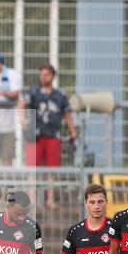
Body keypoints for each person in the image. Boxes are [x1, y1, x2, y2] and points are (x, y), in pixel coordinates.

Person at [24, 63, 76, 208]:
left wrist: (72, 130)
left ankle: (50, 199)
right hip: (35, 135)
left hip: (53, 135)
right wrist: (22, 118)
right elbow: (22, 102)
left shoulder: (60, 94)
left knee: (52, 170)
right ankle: (31, 198)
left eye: (46, 74)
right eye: (41, 75)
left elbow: (67, 113)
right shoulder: (33, 91)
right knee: (31, 168)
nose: (43, 77)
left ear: (53, 76)